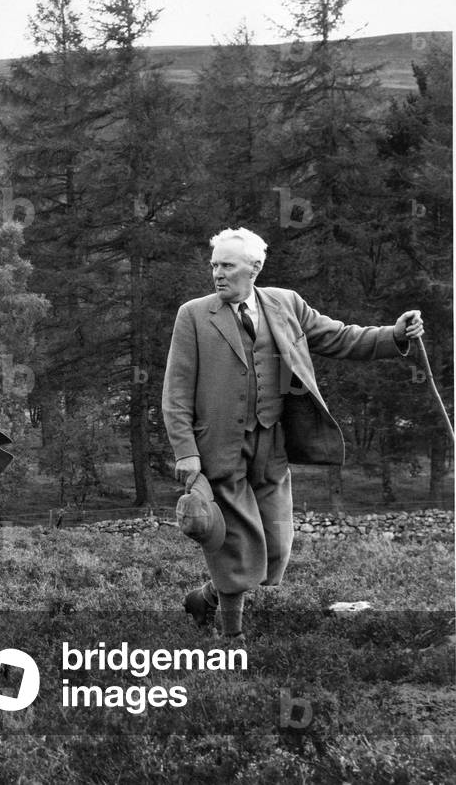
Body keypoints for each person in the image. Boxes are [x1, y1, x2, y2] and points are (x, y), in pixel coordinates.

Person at [162, 227, 424, 639]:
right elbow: (175, 392)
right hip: (218, 447)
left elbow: (339, 337)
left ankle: (205, 598)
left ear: (255, 267)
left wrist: (393, 335)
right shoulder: (193, 315)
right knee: (235, 545)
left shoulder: (286, 304)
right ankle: (233, 639)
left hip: (272, 442)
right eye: (214, 265)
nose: (217, 274)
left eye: (227, 265)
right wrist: (185, 452)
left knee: (276, 545)